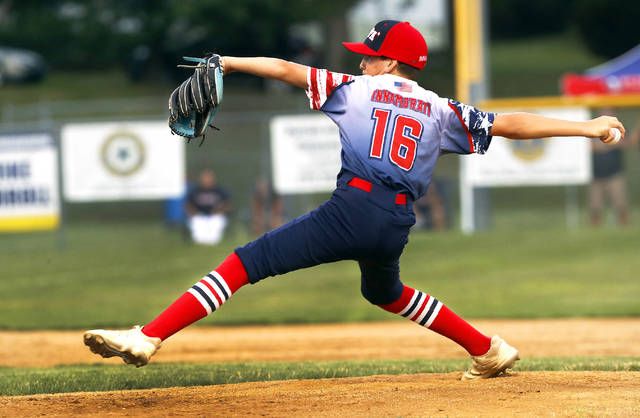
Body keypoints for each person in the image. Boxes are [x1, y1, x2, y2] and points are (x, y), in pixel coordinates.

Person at [84, 20, 625, 380]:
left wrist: (226, 61)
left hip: (351, 210)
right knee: (385, 291)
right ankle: (487, 350)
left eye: (371, 56)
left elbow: (284, 68)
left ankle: (149, 336)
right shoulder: (440, 109)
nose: (363, 62)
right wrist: (588, 127)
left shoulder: (354, 89)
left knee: (245, 262)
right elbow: (511, 124)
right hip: (395, 220)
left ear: (390, 63)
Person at [589, 110, 638, 226]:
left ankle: (624, 228)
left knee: (621, 205)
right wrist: (612, 144)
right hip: (596, 174)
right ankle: (594, 230)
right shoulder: (593, 125)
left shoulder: (618, 126)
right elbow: (591, 146)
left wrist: (608, 145)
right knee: (595, 207)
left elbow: (629, 142)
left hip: (615, 172)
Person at [185, 169, 231, 245]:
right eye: (204, 178)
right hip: (199, 216)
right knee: (198, 234)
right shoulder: (195, 191)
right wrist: (194, 213)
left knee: (214, 233)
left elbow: (228, 205)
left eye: (208, 178)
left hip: (215, 216)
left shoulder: (220, 191)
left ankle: (211, 242)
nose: (206, 180)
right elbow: (188, 205)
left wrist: (219, 211)